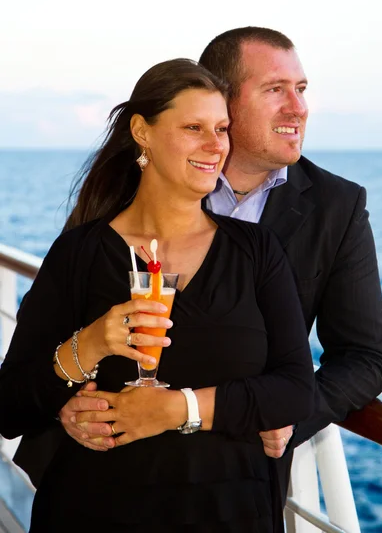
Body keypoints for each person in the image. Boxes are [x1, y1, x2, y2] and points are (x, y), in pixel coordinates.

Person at [53, 27, 382, 503]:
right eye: (275, 90)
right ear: (220, 99)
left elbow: (366, 355)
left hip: (236, 484)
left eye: (301, 90)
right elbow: (55, 330)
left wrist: (289, 413)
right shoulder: (133, 191)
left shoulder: (337, 206)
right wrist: (65, 404)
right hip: (108, 473)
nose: (298, 108)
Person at [0, 58, 315, 532]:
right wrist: (88, 346)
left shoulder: (256, 250)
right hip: (95, 511)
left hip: (230, 513)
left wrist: (178, 410)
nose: (215, 146)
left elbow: (296, 389)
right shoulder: (80, 253)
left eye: (222, 128)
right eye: (194, 127)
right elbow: (10, 404)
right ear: (142, 133)